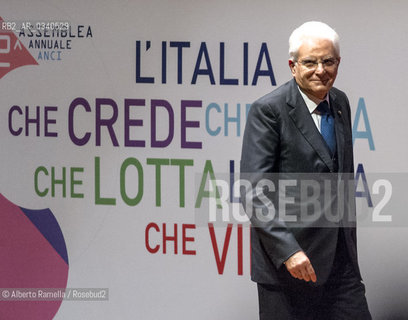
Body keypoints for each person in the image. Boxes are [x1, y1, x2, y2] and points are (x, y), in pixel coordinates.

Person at [240, 21, 371, 319]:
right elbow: (253, 192)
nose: (320, 70)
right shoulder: (269, 111)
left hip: (340, 264)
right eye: (309, 62)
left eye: (328, 61)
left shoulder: (340, 102)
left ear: (338, 62)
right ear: (292, 65)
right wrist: (289, 252)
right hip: (290, 266)